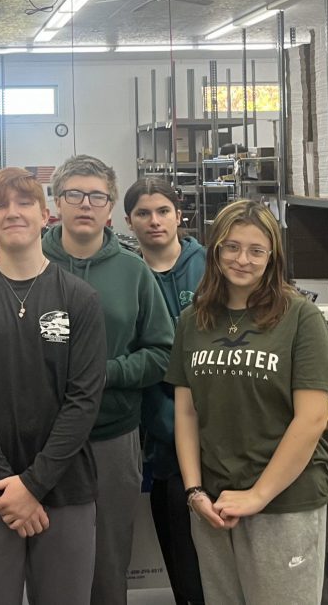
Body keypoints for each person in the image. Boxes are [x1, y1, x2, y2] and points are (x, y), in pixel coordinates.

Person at [0, 167, 107, 604]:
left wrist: (34, 485)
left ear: (45, 213)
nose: (13, 212)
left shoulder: (79, 298)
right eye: (0, 205)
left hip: (65, 487)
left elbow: (83, 400)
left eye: (24, 202)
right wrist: (7, 486)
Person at [167, 200, 328, 604]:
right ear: (215, 251)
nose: (241, 259)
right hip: (215, 503)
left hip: (285, 502)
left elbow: (311, 420)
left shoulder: (299, 317)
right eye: (230, 247)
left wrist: (258, 495)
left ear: (272, 256)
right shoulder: (194, 320)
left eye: (255, 250)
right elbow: (187, 411)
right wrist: (195, 491)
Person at [42, 155, 174, 605]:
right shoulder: (29, 263)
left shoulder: (133, 272)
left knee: (108, 561)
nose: (85, 204)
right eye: (74, 194)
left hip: (112, 436)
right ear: (56, 202)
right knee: (48, 559)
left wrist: (105, 374)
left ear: (111, 207)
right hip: (40, 435)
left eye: (96, 196)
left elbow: (162, 351)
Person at [123, 178, 207, 605]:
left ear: (179, 215)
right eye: (143, 213)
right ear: (128, 221)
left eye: (162, 211)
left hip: (217, 430)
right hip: (159, 434)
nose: (154, 221)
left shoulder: (208, 266)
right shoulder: (126, 274)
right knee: (178, 549)